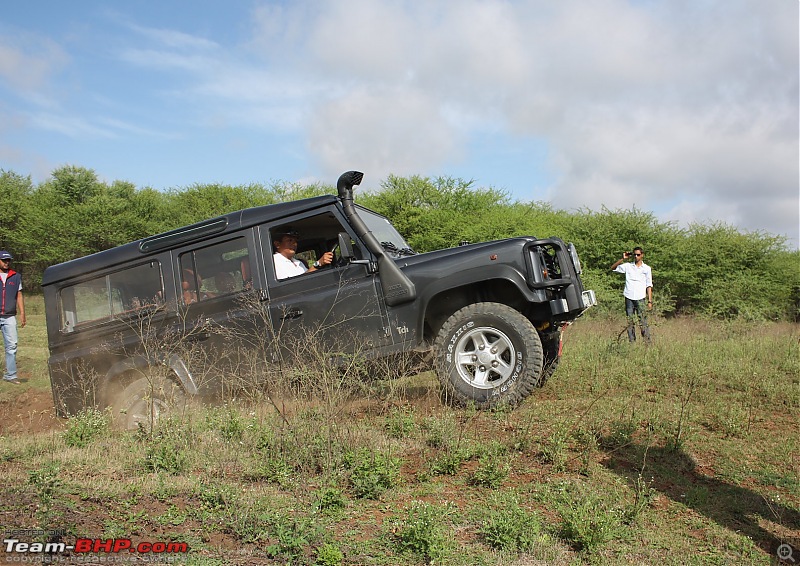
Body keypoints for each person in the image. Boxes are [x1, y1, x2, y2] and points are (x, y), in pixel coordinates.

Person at [611, 246, 653, 343]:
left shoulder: (646, 269)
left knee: (642, 321)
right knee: (630, 321)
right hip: (629, 296)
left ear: (642, 255)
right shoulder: (628, 266)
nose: (636, 256)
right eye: (635, 254)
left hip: (640, 298)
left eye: (638, 254)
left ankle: (647, 342)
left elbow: (649, 285)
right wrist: (622, 258)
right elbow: (613, 268)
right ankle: (632, 342)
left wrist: (650, 301)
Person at [0, 251, 26, 384]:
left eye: (8, 260)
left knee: (12, 345)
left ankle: (11, 375)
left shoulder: (16, 276)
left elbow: (19, 295)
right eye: (4, 260)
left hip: (9, 316)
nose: (6, 262)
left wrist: (22, 313)